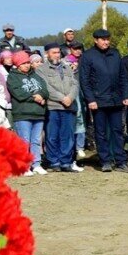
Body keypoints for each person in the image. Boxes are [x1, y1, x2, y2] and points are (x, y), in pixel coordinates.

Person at [78, 28, 128, 173]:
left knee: (118, 131)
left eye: (108, 39)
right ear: (96, 40)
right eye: (103, 39)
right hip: (98, 101)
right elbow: (84, 80)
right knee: (100, 133)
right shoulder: (88, 56)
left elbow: (123, 77)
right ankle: (105, 161)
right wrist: (90, 99)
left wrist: (126, 95)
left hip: (115, 100)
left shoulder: (115, 53)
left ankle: (121, 161)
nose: (106, 42)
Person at [41, 43, 82, 173]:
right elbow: (46, 87)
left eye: (58, 52)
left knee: (68, 135)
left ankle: (66, 162)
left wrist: (70, 97)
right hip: (53, 107)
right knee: (52, 135)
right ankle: (54, 162)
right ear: (47, 54)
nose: (57, 55)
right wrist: (62, 98)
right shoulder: (41, 70)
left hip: (69, 106)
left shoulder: (67, 67)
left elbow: (75, 84)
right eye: (54, 52)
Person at [7, 51, 49, 176]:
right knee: (24, 141)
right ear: (18, 65)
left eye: (27, 63)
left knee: (36, 140)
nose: (26, 65)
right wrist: (34, 97)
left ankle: (36, 164)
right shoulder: (12, 77)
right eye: (23, 63)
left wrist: (42, 96)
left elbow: (45, 90)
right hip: (23, 113)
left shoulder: (36, 75)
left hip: (38, 113)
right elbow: (18, 93)